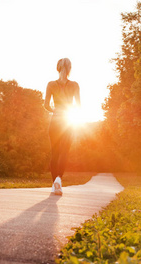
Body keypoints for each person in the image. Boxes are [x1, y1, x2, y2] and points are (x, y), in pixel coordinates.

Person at [44, 58, 81, 195]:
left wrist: (56, 110)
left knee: (55, 153)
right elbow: (78, 106)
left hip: (56, 121)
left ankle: (55, 184)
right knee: (64, 152)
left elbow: (46, 105)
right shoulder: (75, 85)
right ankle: (59, 179)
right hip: (67, 122)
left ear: (57, 68)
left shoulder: (51, 84)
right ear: (69, 68)